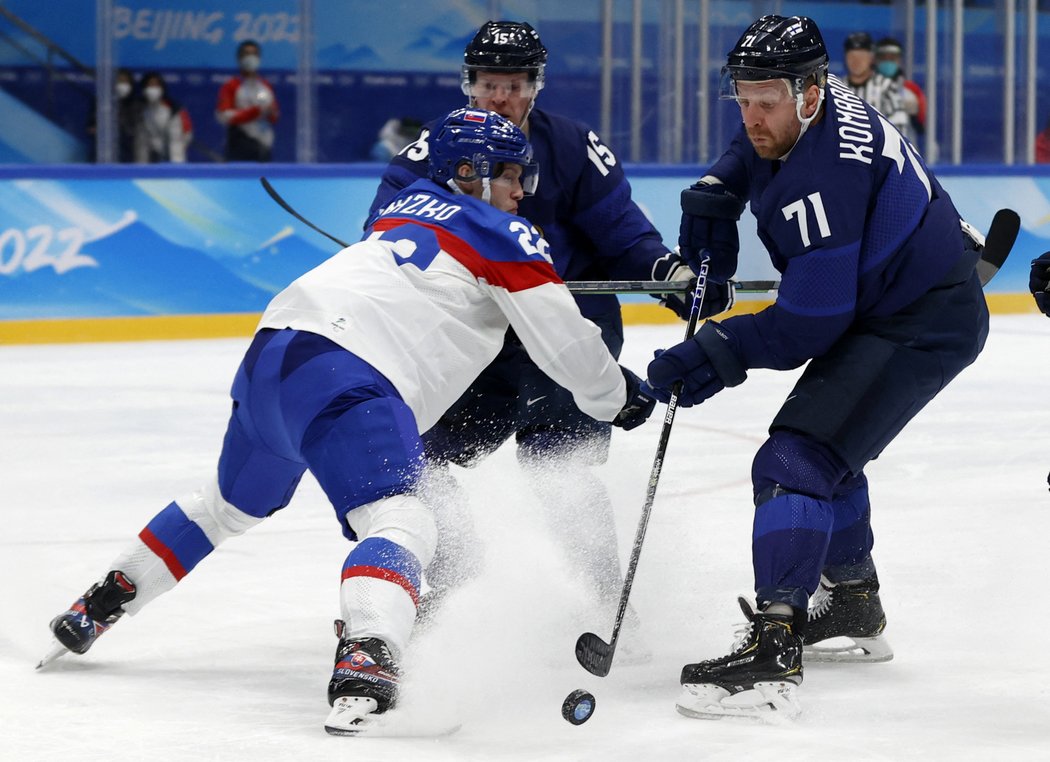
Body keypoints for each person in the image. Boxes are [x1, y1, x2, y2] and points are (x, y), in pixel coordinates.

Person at [41, 107, 656, 734]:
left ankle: (104, 599)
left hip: (270, 356)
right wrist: (620, 396)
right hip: (348, 372)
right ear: (469, 174)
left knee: (225, 506)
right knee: (402, 516)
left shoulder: (408, 203)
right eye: (512, 176)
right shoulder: (506, 235)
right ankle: (367, 659)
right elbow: (566, 344)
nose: (524, 191)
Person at [645, 14, 989, 720]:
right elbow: (756, 149)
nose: (750, 116)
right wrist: (720, 188)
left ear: (808, 93)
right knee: (831, 446)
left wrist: (717, 350)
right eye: (740, 98)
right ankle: (855, 604)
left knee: (794, 461)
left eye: (764, 100)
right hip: (903, 295)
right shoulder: (818, 100)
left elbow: (809, 322)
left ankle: (775, 648)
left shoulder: (823, 182)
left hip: (918, 321)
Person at [368, 21, 706, 629]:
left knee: (560, 470)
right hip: (477, 346)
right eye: (490, 84)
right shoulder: (434, 150)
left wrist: (664, 272)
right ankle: (446, 572)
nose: (500, 98)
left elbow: (620, 227)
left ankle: (607, 596)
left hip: (565, 333)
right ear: (469, 85)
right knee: (421, 462)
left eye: (515, 85)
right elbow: (388, 226)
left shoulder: (573, 147)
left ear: (536, 87)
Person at [216, 39, 279, 161]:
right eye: (247, 54)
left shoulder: (265, 86)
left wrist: (271, 112)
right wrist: (255, 112)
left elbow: (274, 116)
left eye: (254, 54)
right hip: (240, 143)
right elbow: (224, 116)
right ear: (239, 58)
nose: (251, 57)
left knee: (263, 178)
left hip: (264, 144)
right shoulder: (231, 86)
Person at [843, 32, 909, 138]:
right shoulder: (836, 87)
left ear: (871, 57)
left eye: (861, 56)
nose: (856, 61)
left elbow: (899, 129)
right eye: (852, 56)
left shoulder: (887, 87)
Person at [875, 37, 926, 145]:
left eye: (892, 58)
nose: (888, 62)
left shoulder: (912, 90)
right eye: (884, 58)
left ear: (900, 60)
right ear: (876, 60)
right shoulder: (861, 88)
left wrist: (913, 114)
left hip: (905, 151)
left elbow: (921, 128)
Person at [133, 71, 193, 163]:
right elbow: (141, 145)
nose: (152, 89)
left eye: (156, 85)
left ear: (162, 88)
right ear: (144, 89)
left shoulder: (173, 110)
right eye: (149, 85)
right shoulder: (140, 110)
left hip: (174, 151)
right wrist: (141, 169)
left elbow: (177, 141)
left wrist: (177, 168)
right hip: (152, 157)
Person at [87, 67, 140, 163]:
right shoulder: (102, 101)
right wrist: (95, 128)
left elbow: (136, 129)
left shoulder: (136, 104)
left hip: (128, 147)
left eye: (125, 82)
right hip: (104, 146)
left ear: (131, 84)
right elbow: (91, 125)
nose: (122, 85)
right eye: (119, 81)